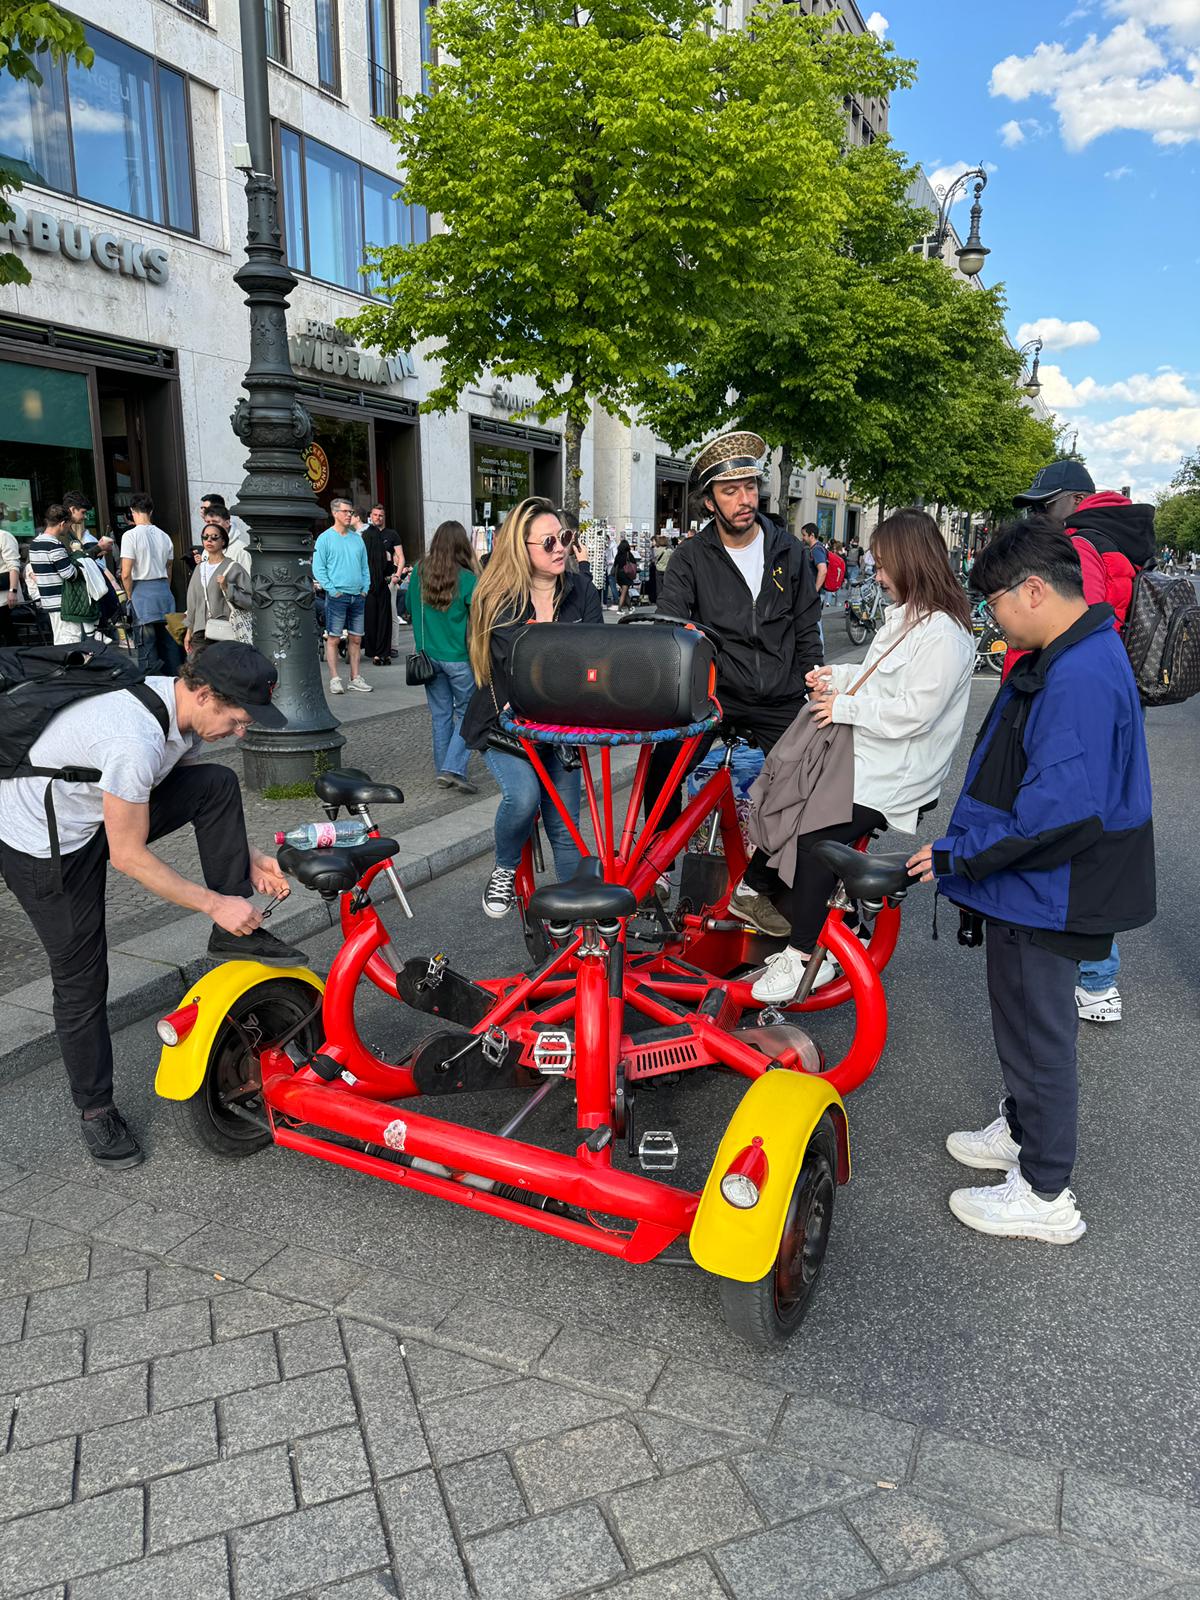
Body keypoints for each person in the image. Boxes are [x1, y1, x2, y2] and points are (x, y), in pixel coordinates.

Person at [908, 518, 1154, 1244]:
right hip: (1039, 884)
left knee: (1040, 1036)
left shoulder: (1077, 671)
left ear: (1035, 590)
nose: (991, 618)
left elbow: (1058, 815)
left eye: (994, 603)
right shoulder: (1074, 651)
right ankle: (1022, 1132)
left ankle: (1045, 1192)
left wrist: (961, 856)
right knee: (1022, 1024)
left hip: (1051, 886)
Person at [0, 643, 303, 1170]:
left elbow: (173, 800)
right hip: (43, 847)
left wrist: (249, 859)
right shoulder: (134, 739)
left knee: (215, 783)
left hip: (95, 816)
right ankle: (96, 1112)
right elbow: (129, 858)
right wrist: (214, 904)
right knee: (81, 980)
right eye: (235, 719)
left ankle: (235, 933)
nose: (240, 732)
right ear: (205, 694)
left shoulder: (180, 718)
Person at [750, 510, 976, 1002]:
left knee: (814, 834)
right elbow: (879, 677)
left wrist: (843, 705)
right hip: (869, 755)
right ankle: (810, 920)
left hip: (897, 769)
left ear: (910, 562)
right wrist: (833, 678)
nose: (875, 575)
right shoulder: (908, 618)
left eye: (881, 565)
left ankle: (805, 951)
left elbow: (918, 711)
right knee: (789, 804)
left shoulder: (944, 633)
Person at [652, 430, 822, 936]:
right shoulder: (691, 557)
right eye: (730, 491)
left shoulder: (788, 550)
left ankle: (757, 886)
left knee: (812, 775)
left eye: (749, 486)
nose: (744, 499)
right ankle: (657, 861)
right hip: (717, 693)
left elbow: (806, 627)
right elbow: (670, 628)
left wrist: (813, 687)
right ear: (710, 501)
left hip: (780, 693)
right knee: (664, 754)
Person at [1011, 459, 1157, 1025]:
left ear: (1073, 500)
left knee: (1072, 830)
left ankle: (1095, 977)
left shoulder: (1083, 545)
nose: (1040, 516)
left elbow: (1075, 626)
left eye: (1045, 506)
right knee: (1099, 824)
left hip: (1077, 705)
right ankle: (1098, 976)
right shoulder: (1121, 537)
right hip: (1117, 699)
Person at [461, 497, 602, 918]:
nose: (560, 548)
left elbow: (596, 656)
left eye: (565, 538)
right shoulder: (496, 597)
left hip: (562, 727)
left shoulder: (583, 590)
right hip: (508, 724)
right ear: (520, 548)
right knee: (522, 799)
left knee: (564, 827)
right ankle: (504, 866)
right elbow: (517, 668)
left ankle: (582, 929)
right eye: (548, 542)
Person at [409, 520, 480, 794]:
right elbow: (477, 620)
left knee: (440, 715)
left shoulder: (418, 572)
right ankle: (453, 768)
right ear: (462, 545)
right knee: (467, 712)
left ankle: (444, 771)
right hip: (459, 657)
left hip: (427, 657)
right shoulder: (469, 579)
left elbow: (406, 607)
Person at [312, 497, 372, 694]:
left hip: (358, 595)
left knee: (356, 639)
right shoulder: (325, 538)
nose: (349, 515)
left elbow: (365, 567)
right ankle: (335, 679)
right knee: (334, 638)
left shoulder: (357, 538)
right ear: (335, 513)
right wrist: (332, 590)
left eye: (351, 512)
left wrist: (365, 587)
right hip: (338, 595)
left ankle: (355, 677)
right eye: (346, 511)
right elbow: (318, 569)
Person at [120, 493, 183, 674]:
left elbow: (126, 573)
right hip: (164, 592)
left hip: (142, 593)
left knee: (146, 650)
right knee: (170, 648)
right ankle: (174, 686)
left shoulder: (130, 536)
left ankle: (152, 690)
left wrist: (131, 596)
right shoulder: (165, 536)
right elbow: (169, 568)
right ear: (151, 511)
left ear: (132, 511)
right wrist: (165, 587)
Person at [29, 506, 93, 646]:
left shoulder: (34, 544)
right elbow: (68, 574)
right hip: (63, 602)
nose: (69, 528)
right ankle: (69, 668)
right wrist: (80, 566)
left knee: (60, 639)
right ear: (63, 523)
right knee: (70, 641)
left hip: (48, 600)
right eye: (68, 524)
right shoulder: (55, 545)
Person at [184, 522, 253, 652]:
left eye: (215, 537)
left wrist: (227, 588)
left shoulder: (233, 568)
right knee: (199, 670)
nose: (209, 540)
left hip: (225, 631)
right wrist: (189, 631)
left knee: (224, 670)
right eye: (205, 537)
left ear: (223, 541)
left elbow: (250, 601)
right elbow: (192, 603)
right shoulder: (199, 568)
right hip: (200, 633)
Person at [358, 508, 397, 666]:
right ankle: (384, 653)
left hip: (369, 589)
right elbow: (389, 569)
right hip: (382, 587)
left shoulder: (363, 544)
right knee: (384, 622)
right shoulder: (384, 551)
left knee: (371, 622)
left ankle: (374, 653)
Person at [614, 535, 636, 611]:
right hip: (626, 575)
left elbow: (615, 565)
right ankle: (619, 609)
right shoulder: (628, 554)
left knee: (625, 592)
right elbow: (634, 563)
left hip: (619, 575)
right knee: (624, 592)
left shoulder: (618, 555)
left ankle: (630, 607)